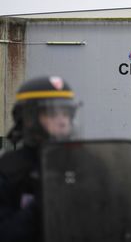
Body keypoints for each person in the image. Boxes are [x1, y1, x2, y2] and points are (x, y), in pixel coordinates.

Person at [0, 76, 78, 241]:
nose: (62, 121)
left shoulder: (86, 163)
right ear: (29, 119)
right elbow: (6, 232)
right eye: (52, 114)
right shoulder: (8, 169)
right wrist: (41, 204)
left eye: (66, 114)